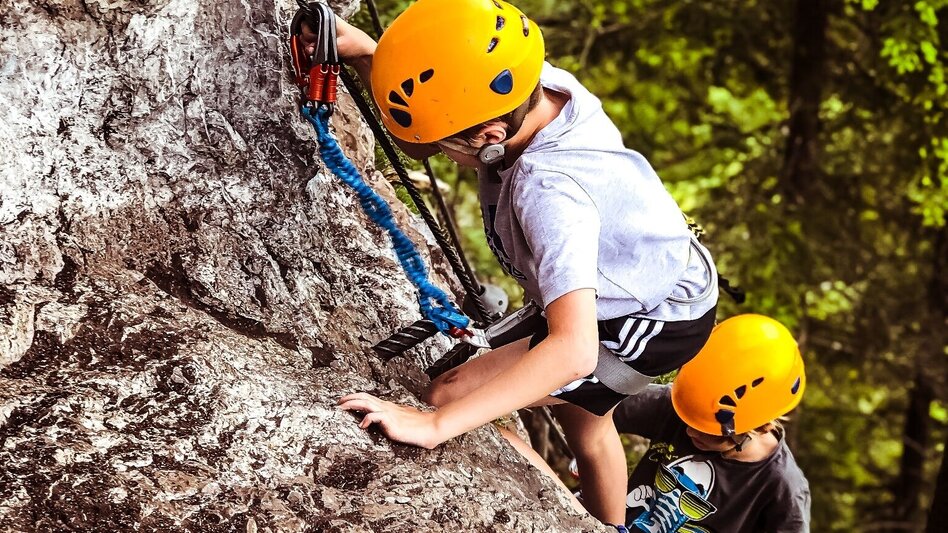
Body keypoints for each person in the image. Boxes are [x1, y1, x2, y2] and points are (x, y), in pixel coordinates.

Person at [322, 0, 720, 526]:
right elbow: (434, 127)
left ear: (488, 134)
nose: (440, 152)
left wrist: (435, 425)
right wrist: (370, 55)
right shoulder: (529, 85)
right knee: (586, 421)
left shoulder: (550, 191)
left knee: (450, 393)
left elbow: (574, 351)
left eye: (449, 144)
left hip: (648, 321)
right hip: (654, 278)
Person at [612, 314, 811, 532]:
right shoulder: (684, 406)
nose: (689, 431)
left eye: (705, 429)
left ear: (756, 425)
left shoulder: (781, 487)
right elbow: (603, 407)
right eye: (689, 420)